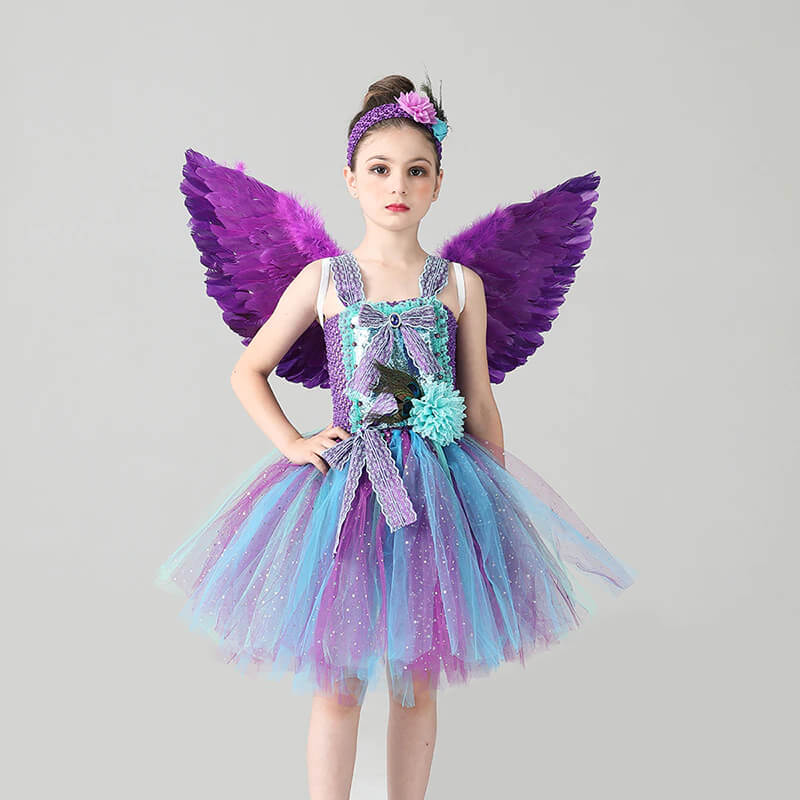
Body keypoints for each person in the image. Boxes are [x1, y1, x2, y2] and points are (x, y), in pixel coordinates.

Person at [156, 73, 636, 800]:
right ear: (350, 179)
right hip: (347, 490)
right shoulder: (325, 279)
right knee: (340, 679)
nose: (397, 185)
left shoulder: (460, 285)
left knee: (416, 681)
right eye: (379, 169)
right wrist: (293, 443)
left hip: (438, 493)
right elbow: (248, 370)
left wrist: (493, 504)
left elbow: (479, 398)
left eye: (416, 171)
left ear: (438, 184)